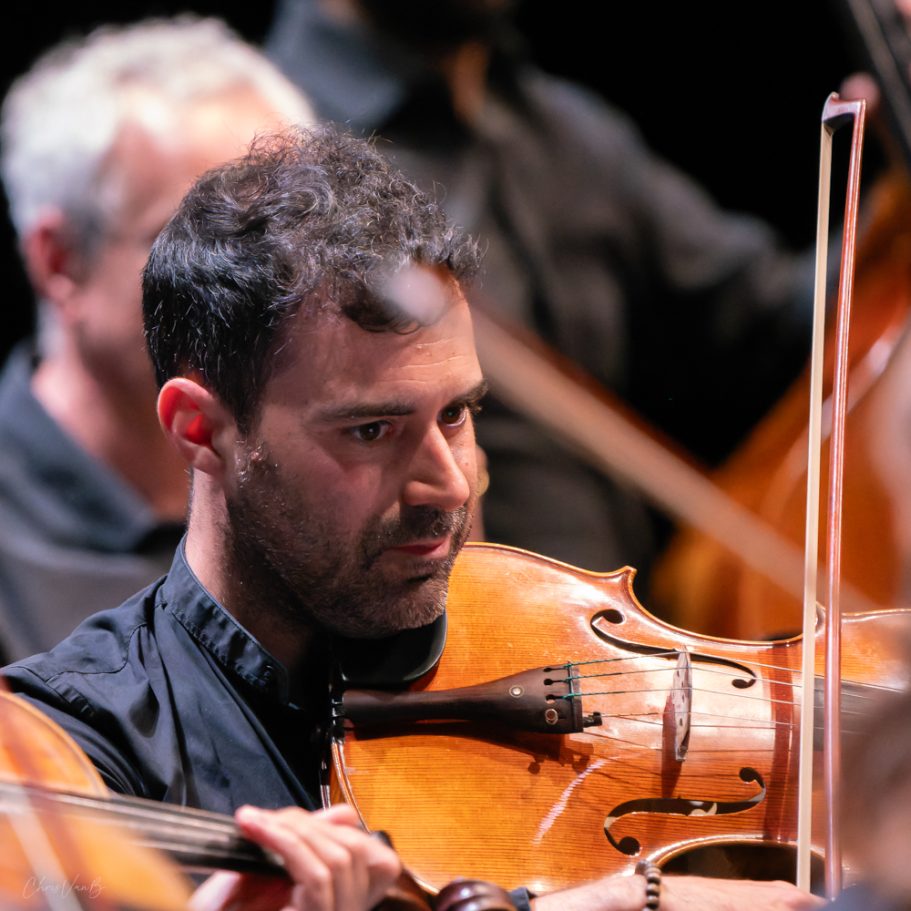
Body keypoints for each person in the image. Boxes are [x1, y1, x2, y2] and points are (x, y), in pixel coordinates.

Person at [4, 124, 816, 911]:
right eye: (371, 430)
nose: (450, 484)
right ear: (200, 430)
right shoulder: (75, 745)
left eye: (455, 414)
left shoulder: (521, 644)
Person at [264, 0, 815, 584]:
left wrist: (875, 215)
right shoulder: (272, 143)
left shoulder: (561, 129)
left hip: (621, 616)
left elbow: (769, 317)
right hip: (439, 625)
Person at [0, 17, 313, 663]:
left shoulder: (313, 484)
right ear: (60, 262)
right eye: (203, 241)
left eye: (286, 233)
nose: (270, 286)